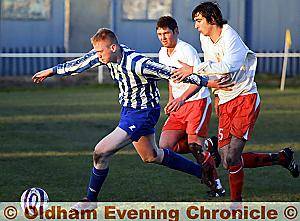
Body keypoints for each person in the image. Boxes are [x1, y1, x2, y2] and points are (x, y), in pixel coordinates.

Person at [32, 28, 232, 209]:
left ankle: (90, 200)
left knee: (101, 152)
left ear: (113, 47)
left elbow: (172, 73)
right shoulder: (105, 55)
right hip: (128, 111)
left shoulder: (138, 63)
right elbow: (80, 64)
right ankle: (203, 172)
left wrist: (208, 82)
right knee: (151, 156)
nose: (98, 56)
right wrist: (51, 71)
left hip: (144, 113)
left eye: (101, 52)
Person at [172, 2, 299, 203]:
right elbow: (214, 68)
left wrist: (194, 69)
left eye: (198, 21)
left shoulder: (230, 37)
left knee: (232, 156)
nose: (196, 26)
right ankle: (281, 158)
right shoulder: (205, 38)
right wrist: (214, 89)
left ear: (211, 19)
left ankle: (236, 203)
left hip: (244, 98)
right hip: (225, 100)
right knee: (226, 160)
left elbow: (227, 67)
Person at [156, 16, 224, 197]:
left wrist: (182, 99)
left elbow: (199, 81)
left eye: (167, 33)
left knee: (196, 147)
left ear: (176, 31)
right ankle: (210, 144)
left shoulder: (187, 50)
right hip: (179, 105)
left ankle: (217, 186)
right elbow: (171, 79)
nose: (163, 37)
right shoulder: (162, 53)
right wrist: (172, 99)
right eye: (160, 34)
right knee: (165, 147)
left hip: (197, 102)